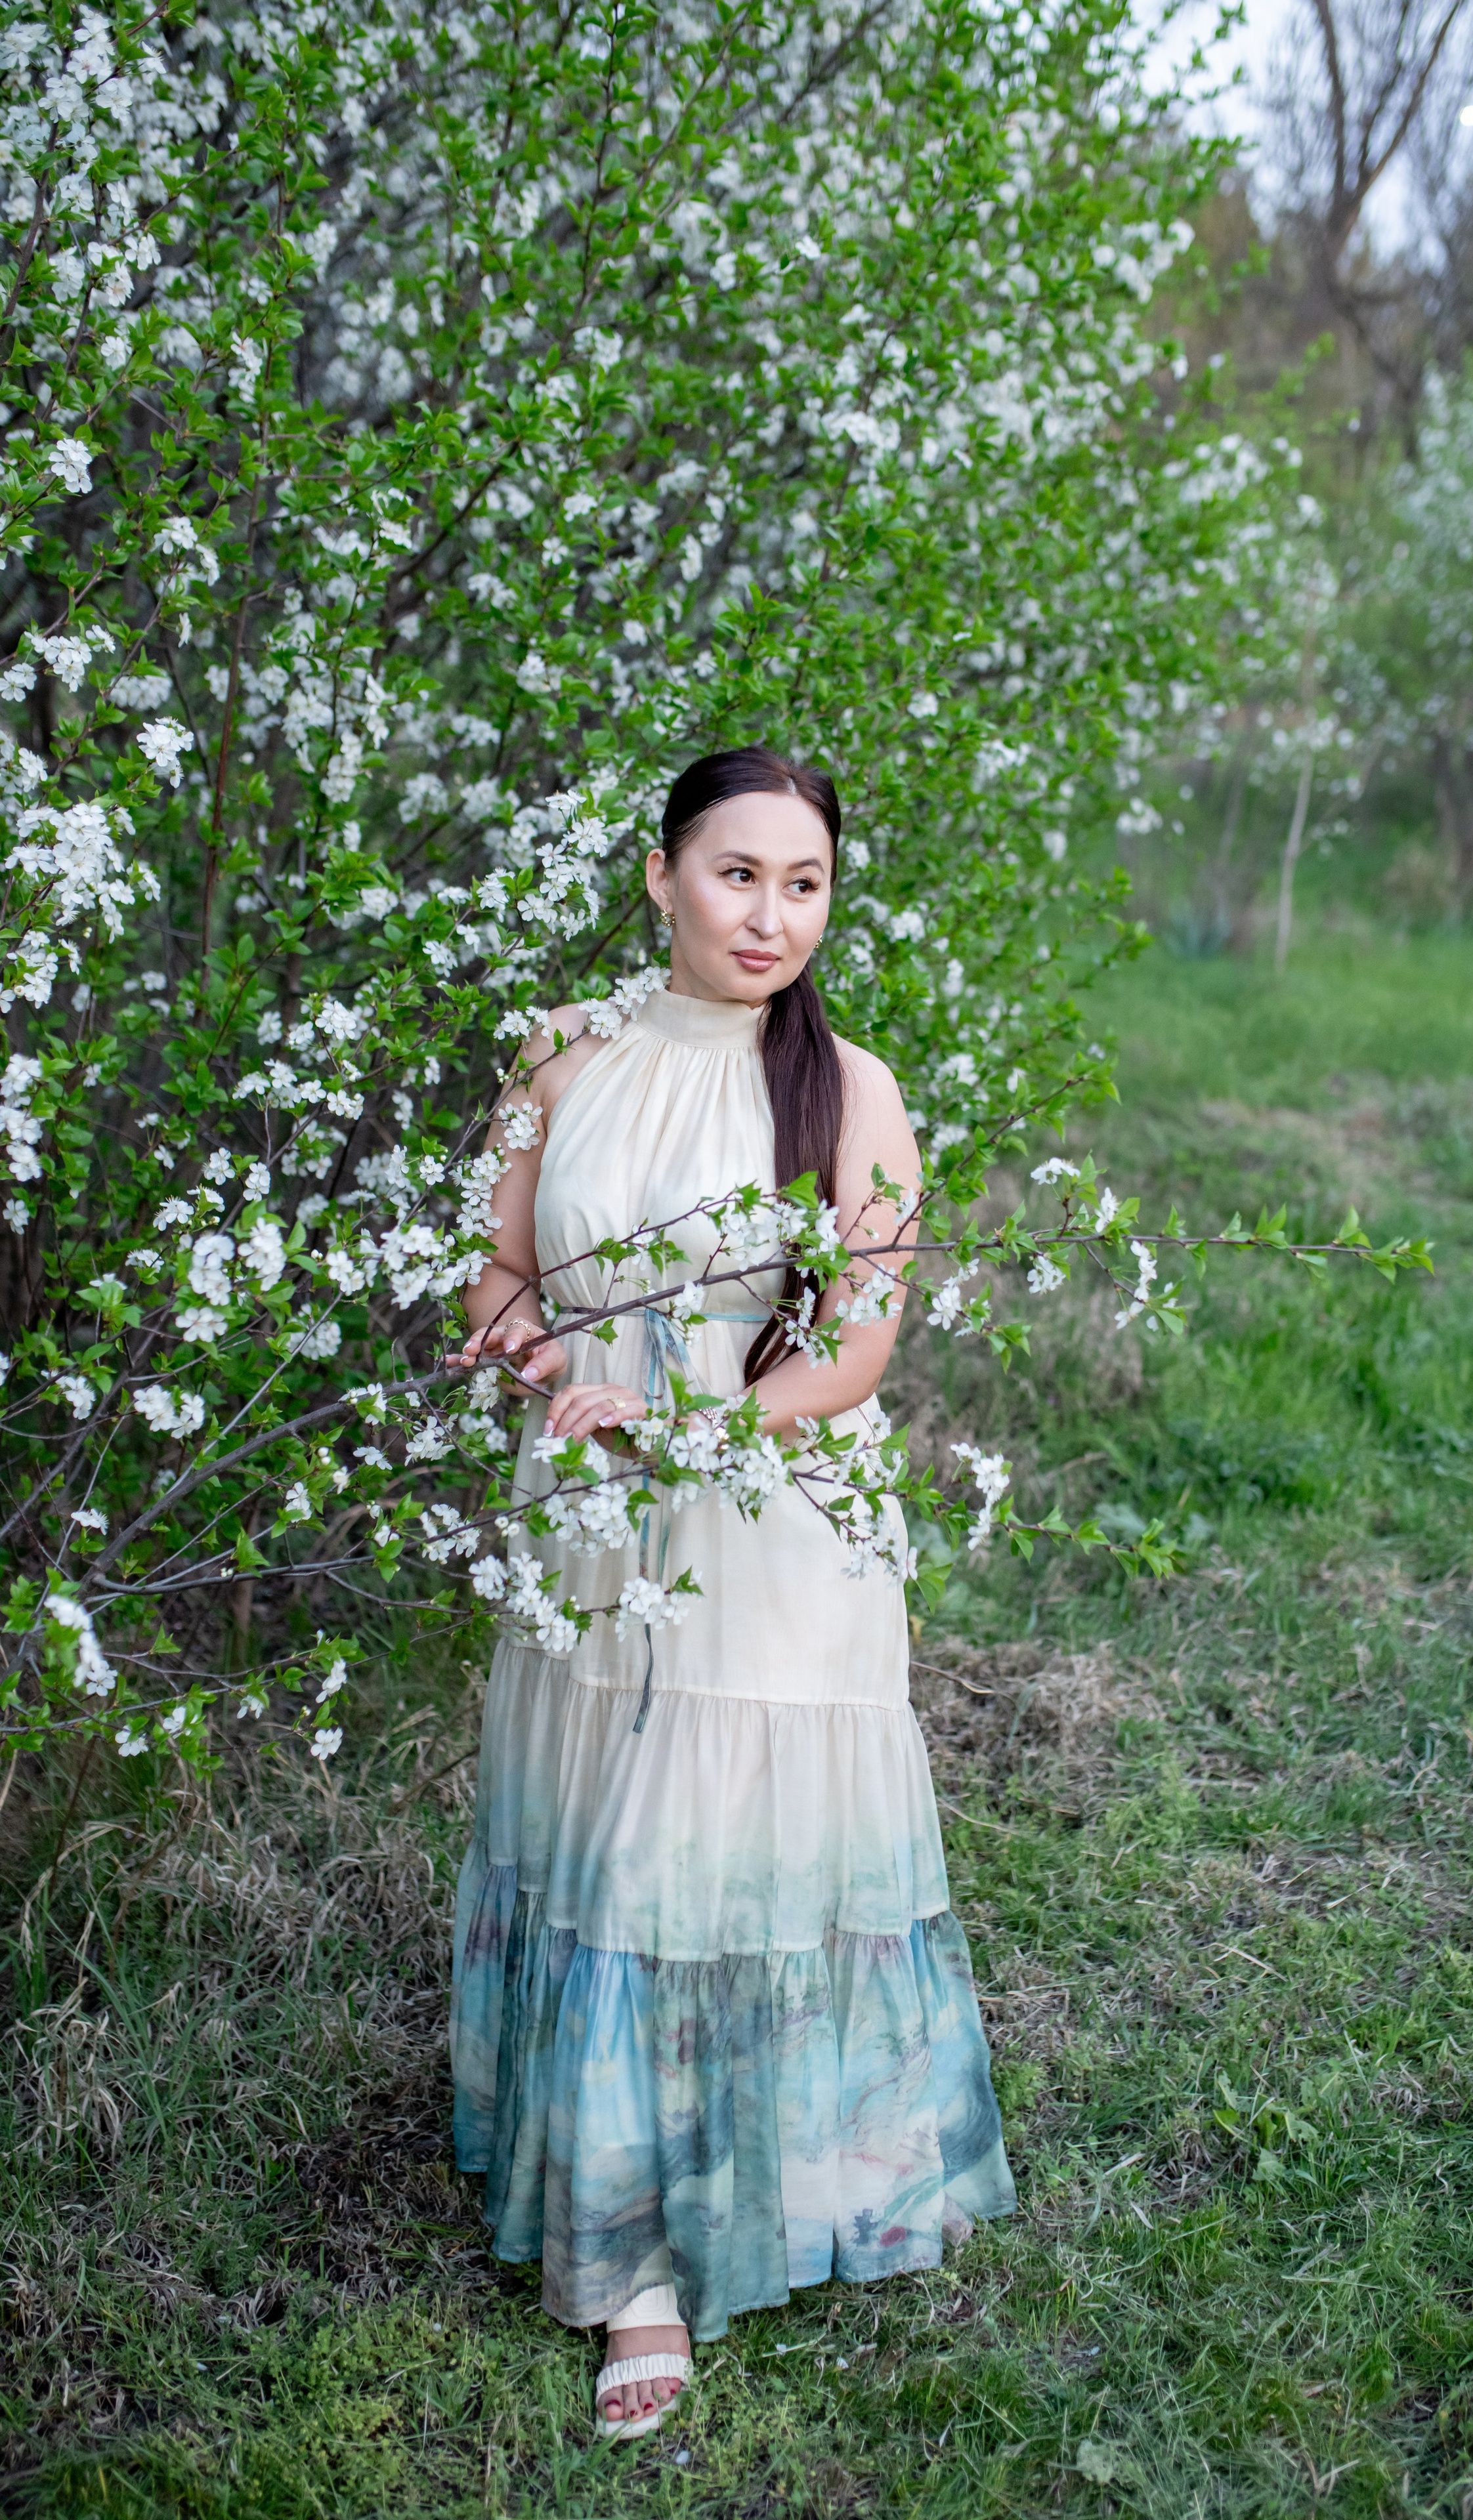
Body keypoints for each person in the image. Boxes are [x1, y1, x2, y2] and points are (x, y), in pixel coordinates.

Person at [447, 745, 1015, 2443]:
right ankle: (618, 2223)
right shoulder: (562, 1056)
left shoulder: (855, 1087)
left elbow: (857, 1348)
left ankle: (665, 2262)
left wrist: (688, 1422)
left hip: (769, 1519)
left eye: (805, 883)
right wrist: (535, 1353)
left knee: (691, 1853)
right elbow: (494, 1269)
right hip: (588, 1510)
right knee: (601, 1820)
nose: (771, 914)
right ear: (659, 875)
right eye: (736, 873)